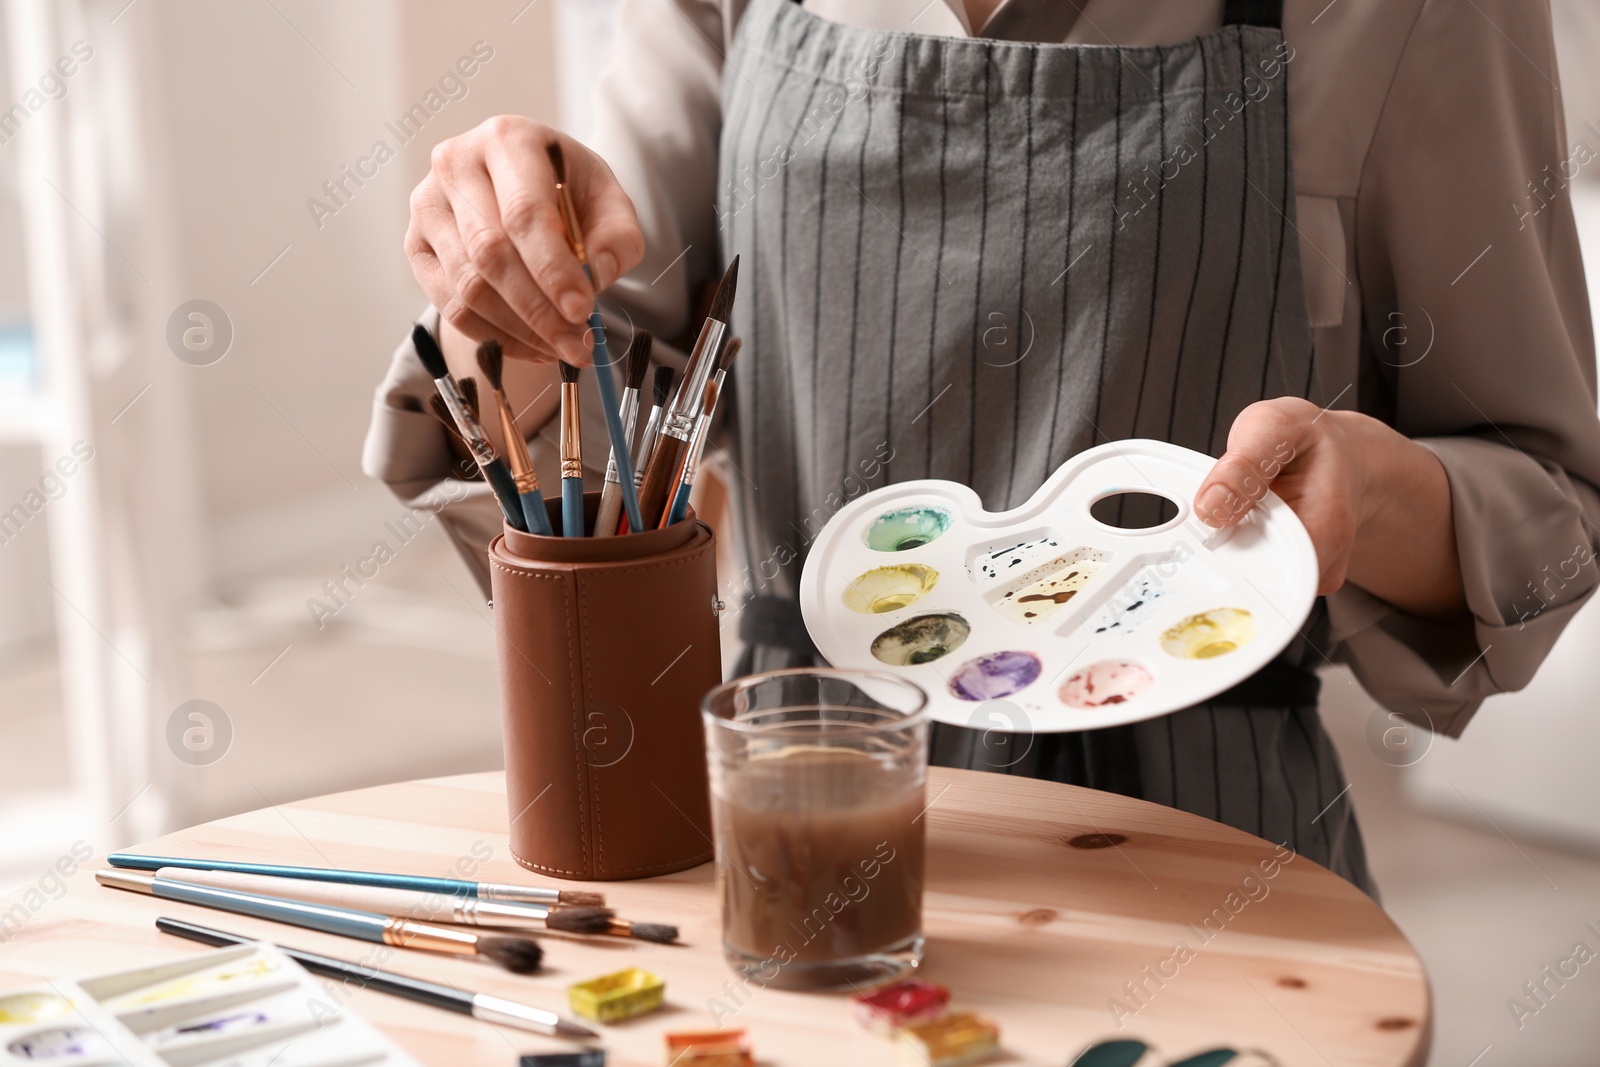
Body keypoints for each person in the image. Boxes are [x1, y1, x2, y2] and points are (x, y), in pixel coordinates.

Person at [363, 0, 1600, 896]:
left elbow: (1551, 499)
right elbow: (598, 401)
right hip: (793, 825)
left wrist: (1372, 495)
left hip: (1200, 860)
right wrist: (511, 295)